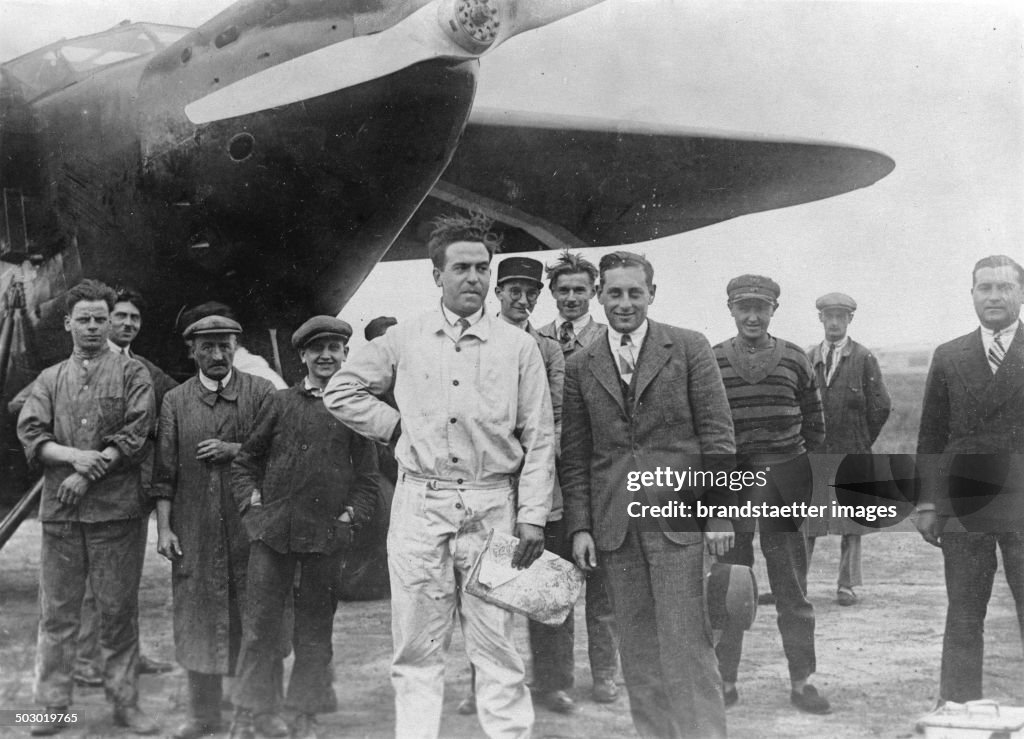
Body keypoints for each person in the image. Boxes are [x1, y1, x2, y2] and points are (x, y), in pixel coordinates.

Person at [323, 212, 555, 739]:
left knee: (497, 648)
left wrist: (534, 516)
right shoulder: (404, 339)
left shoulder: (519, 348)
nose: (473, 278)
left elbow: (540, 437)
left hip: (492, 506)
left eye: (481, 268)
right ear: (437, 275)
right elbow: (340, 391)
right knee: (416, 649)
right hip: (418, 507)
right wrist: (395, 428)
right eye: (461, 268)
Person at [561, 251, 736, 739]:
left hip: (679, 527)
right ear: (600, 296)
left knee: (687, 647)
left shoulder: (688, 347)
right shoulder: (581, 364)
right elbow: (576, 456)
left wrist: (720, 514)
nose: (624, 303)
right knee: (637, 654)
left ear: (651, 295)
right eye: (614, 293)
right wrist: (580, 527)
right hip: (616, 530)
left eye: (634, 292)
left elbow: (719, 438)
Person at [17, 279, 157, 735]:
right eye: (85, 319)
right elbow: (33, 434)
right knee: (57, 615)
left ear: (111, 321)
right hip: (61, 516)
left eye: (102, 318)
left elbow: (137, 433)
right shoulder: (49, 379)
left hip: (116, 514)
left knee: (118, 612)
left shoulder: (133, 375)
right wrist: (72, 457)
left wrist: (87, 471)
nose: (94, 327)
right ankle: (50, 707)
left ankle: (125, 705)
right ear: (67, 324)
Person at [231, 316, 380, 739]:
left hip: (325, 538)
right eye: (318, 349)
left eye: (335, 348)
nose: (327, 355)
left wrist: (350, 516)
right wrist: (253, 505)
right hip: (273, 534)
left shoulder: (355, 407)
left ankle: (304, 715)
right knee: (260, 628)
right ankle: (252, 714)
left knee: (315, 632)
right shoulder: (280, 403)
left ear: (346, 354)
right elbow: (246, 461)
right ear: (303, 356)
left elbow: (368, 480)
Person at [152, 315, 285, 739]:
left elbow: (280, 455)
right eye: (206, 347)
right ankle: (202, 715)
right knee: (197, 618)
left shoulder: (262, 392)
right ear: (191, 351)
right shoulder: (175, 401)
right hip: (195, 528)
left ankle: (265, 714)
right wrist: (164, 529)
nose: (216, 355)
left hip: (252, 527)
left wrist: (235, 449)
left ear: (236, 347)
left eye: (224, 345)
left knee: (261, 618)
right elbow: (164, 472)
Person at [712, 274, 830, 715]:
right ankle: (724, 680)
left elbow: (816, 427)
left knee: (791, 588)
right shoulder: (714, 360)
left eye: (761, 307)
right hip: (733, 485)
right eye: (744, 307)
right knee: (727, 587)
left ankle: (804, 681)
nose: (753, 315)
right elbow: (708, 432)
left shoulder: (796, 358)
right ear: (731, 309)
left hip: (784, 482)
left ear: (774, 310)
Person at [457, 255, 570, 715]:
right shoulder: (474, 342)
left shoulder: (547, 348)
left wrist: (537, 473)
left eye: (531, 293)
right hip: (487, 484)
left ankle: (554, 683)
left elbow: (556, 416)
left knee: (545, 586)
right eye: (513, 291)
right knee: (483, 591)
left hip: (540, 484)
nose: (522, 300)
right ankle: (480, 685)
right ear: (497, 293)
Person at [914, 254, 1024, 705]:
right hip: (965, 500)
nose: (994, 296)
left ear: (1020, 292)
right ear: (972, 294)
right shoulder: (949, 354)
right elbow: (931, 435)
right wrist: (925, 503)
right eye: (985, 287)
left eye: (1004, 287)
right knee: (963, 614)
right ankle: (957, 711)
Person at [69, 287, 177, 687]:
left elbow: (178, 398)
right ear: (105, 320)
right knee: (98, 579)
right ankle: (84, 660)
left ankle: (127, 654)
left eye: (135, 318)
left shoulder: (144, 368)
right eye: (121, 317)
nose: (128, 323)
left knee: (125, 579)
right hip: (99, 488)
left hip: (135, 488)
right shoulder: (85, 365)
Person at [537, 250, 620, 704]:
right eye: (563, 290)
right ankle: (557, 681)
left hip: (597, 473)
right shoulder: (536, 340)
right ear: (552, 294)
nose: (571, 297)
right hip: (551, 477)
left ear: (594, 293)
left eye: (579, 290)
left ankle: (605, 672)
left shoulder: (609, 339)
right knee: (556, 580)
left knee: (603, 581)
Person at [804, 292, 891, 606]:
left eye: (841, 317)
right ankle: (797, 584)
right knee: (808, 520)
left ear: (850, 320)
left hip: (852, 452)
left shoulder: (864, 358)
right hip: (815, 454)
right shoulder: (809, 356)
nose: (835, 323)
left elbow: (881, 406)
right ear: (821, 319)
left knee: (851, 523)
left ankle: (846, 585)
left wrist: (861, 440)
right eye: (829, 316)